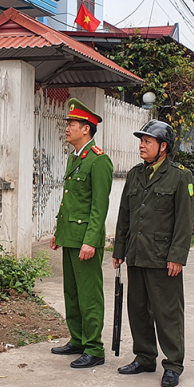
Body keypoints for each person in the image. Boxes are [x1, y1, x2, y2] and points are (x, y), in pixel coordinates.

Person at [112, 119, 194, 387]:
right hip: (136, 252)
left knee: (167, 312)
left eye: (147, 141)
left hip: (162, 257)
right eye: (141, 141)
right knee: (137, 309)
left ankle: (173, 364)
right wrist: (119, 249)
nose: (142, 146)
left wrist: (177, 256)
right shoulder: (135, 174)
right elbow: (124, 214)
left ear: (163, 146)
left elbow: (184, 220)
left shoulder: (179, 176)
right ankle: (145, 357)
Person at [49, 98, 113, 369]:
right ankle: (77, 339)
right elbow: (70, 200)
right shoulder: (76, 158)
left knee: (89, 295)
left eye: (72, 124)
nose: (67, 128)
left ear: (86, 129)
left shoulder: (99, 161)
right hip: (70, 236)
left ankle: (94, 348)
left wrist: (91, 241)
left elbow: (99, 206)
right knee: (72, 292)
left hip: (86, 239)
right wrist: (59, 231)